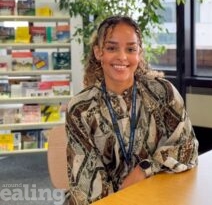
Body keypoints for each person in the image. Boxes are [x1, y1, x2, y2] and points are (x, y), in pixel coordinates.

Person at [65, 15, 199, 205]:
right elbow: (86, 185)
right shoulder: (81, 109)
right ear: (98, 52)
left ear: (139, 53)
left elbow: (188, 148)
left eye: (130, 49)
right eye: (112, 48)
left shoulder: (162, 93)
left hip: (155, 196)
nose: (122, 56)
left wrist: (144, 169)